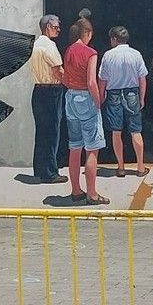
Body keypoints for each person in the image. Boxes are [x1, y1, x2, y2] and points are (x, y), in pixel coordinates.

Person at [49, 18, 109, 206]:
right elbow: (91, 81)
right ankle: (92, 193)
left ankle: (76, 191)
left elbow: (64, 77)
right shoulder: (90, 52)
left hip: (71, 98)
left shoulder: (68, 50)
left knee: (75, 148)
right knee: (92, 148)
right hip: (86, 98)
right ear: (88, 33)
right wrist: (98, 102)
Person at [98, 25, 148, 177]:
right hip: (132, 93)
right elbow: (142, 79)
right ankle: (140, 167)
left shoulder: (108, 55)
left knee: (116, 132)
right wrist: (142, 97)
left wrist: (101, 98)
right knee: (135, 131)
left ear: (114, 39)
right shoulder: (136, 54)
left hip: (113, 94)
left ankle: (120, 167)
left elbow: (103, 79)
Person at [28, 14, 67, 184]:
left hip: (38, 91)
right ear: (47, 27)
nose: (58, 29)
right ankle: (50, 172)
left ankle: (40, 168)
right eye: (55, 26)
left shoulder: (35, 45)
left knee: (41, 132)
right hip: (52, 91)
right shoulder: (50, 46)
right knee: (52, 133)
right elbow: (59, 70)